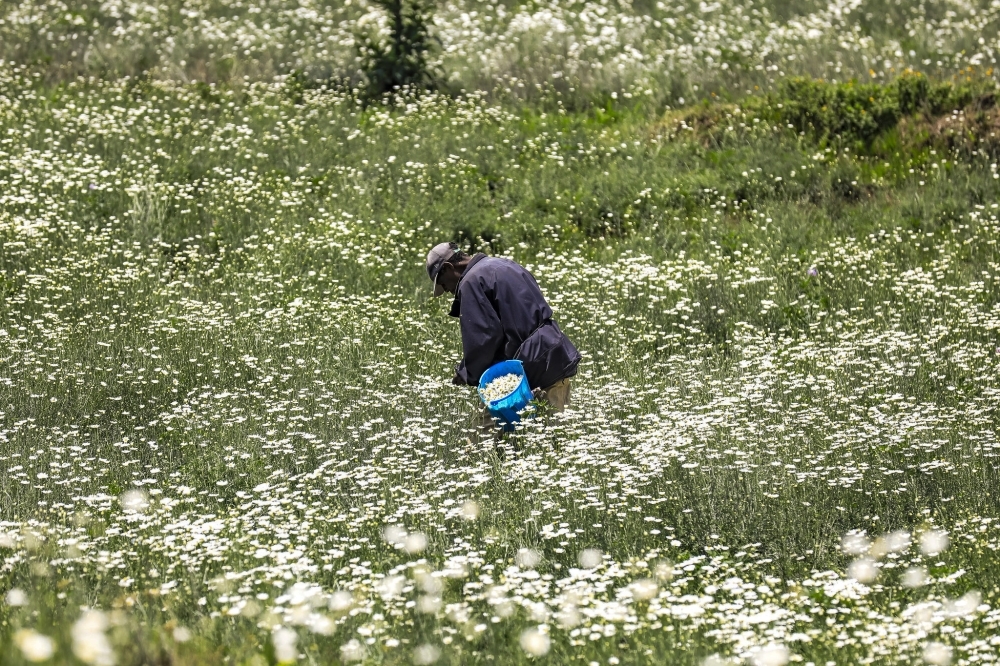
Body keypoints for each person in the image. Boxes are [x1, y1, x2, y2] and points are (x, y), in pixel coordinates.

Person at [426, 241, 581, 410]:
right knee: (555, 433)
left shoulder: (471, 282)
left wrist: (466, 373)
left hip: (526, 373)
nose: (447, 290)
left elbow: (483, 340)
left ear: (448, 267)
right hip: (555, 357)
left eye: (442, 283)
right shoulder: (504, 265)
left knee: (484, 434)